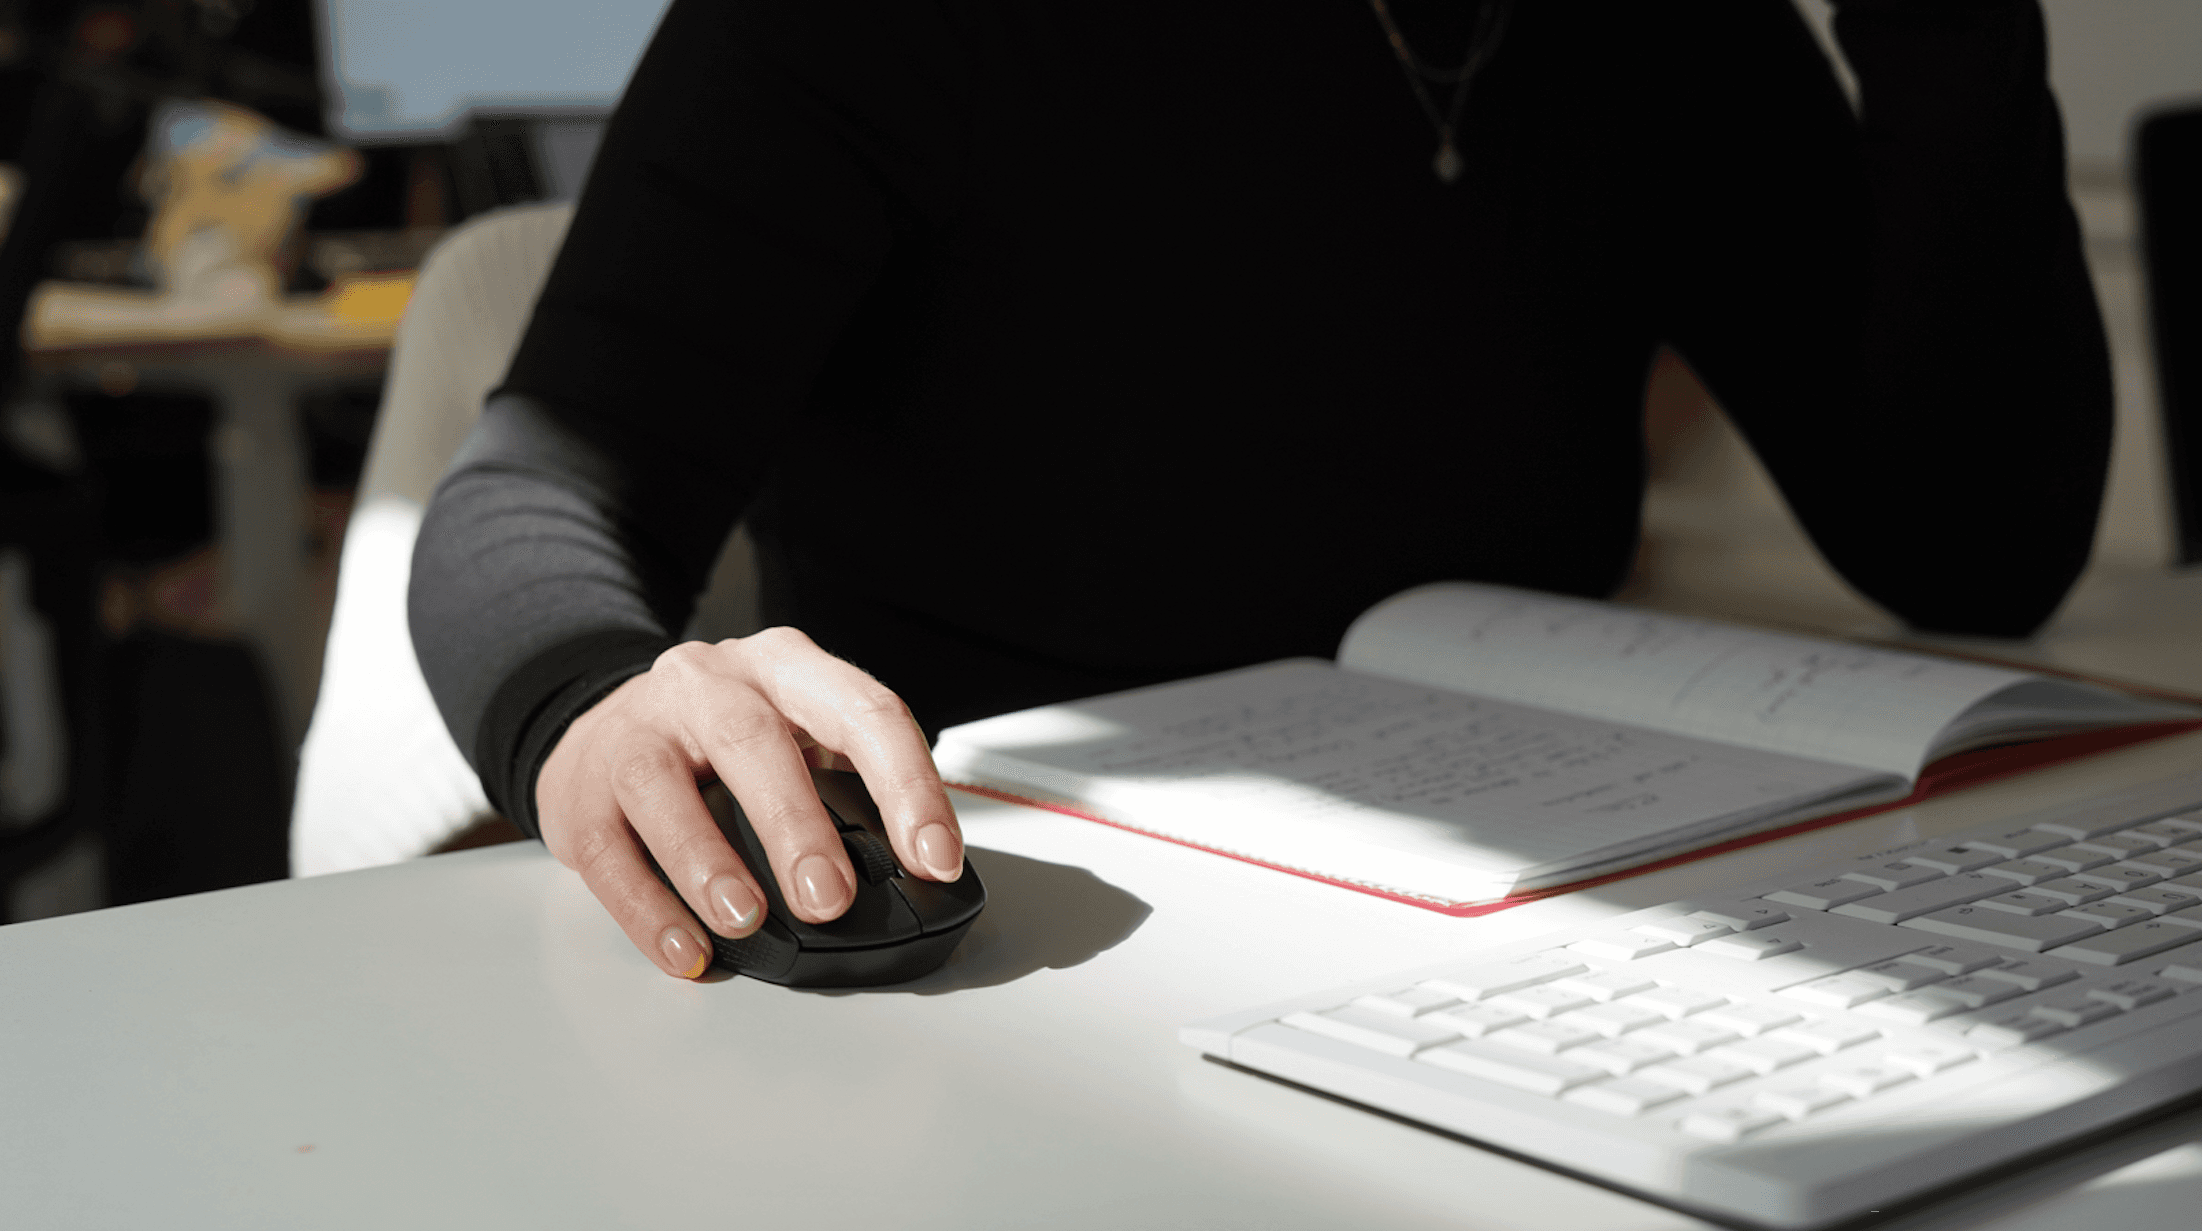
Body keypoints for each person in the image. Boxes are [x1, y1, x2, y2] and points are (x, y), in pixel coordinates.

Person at [409, 0, 2112, 979]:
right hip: (1029, 938)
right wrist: (593, 698)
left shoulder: (1651, 22)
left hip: (1553, 916)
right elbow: (534, 490)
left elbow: (1971, 539)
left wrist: (1950, 46)